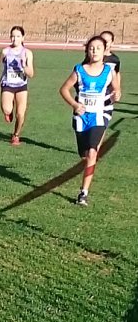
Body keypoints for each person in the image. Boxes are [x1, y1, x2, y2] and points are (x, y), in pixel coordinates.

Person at [59, 35, 120, 206]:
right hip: (81, 118)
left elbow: (116, 89)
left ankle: (83, 193)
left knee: (93, 152)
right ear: (87, 50)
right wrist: (74, 104)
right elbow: (64, 89)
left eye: (98, 48)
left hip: (98, 116)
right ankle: (86, 167)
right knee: (84, 155)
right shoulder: (79, 69)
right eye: (92, 48)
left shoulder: (109, 71)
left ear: (104, 51)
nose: (95, 51)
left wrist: (117, 94)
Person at [0, 26, 34, 145]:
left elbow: (31, 74)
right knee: (7, 109)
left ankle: (16, 135)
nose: (15, 39)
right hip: (8, 84)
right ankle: (9, 110)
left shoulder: (27, 53)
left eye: (18, 36)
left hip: (21, 86)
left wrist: (24, 65)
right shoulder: (5, 51)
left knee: (20, 114)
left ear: (23, 38)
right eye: (13, 36)